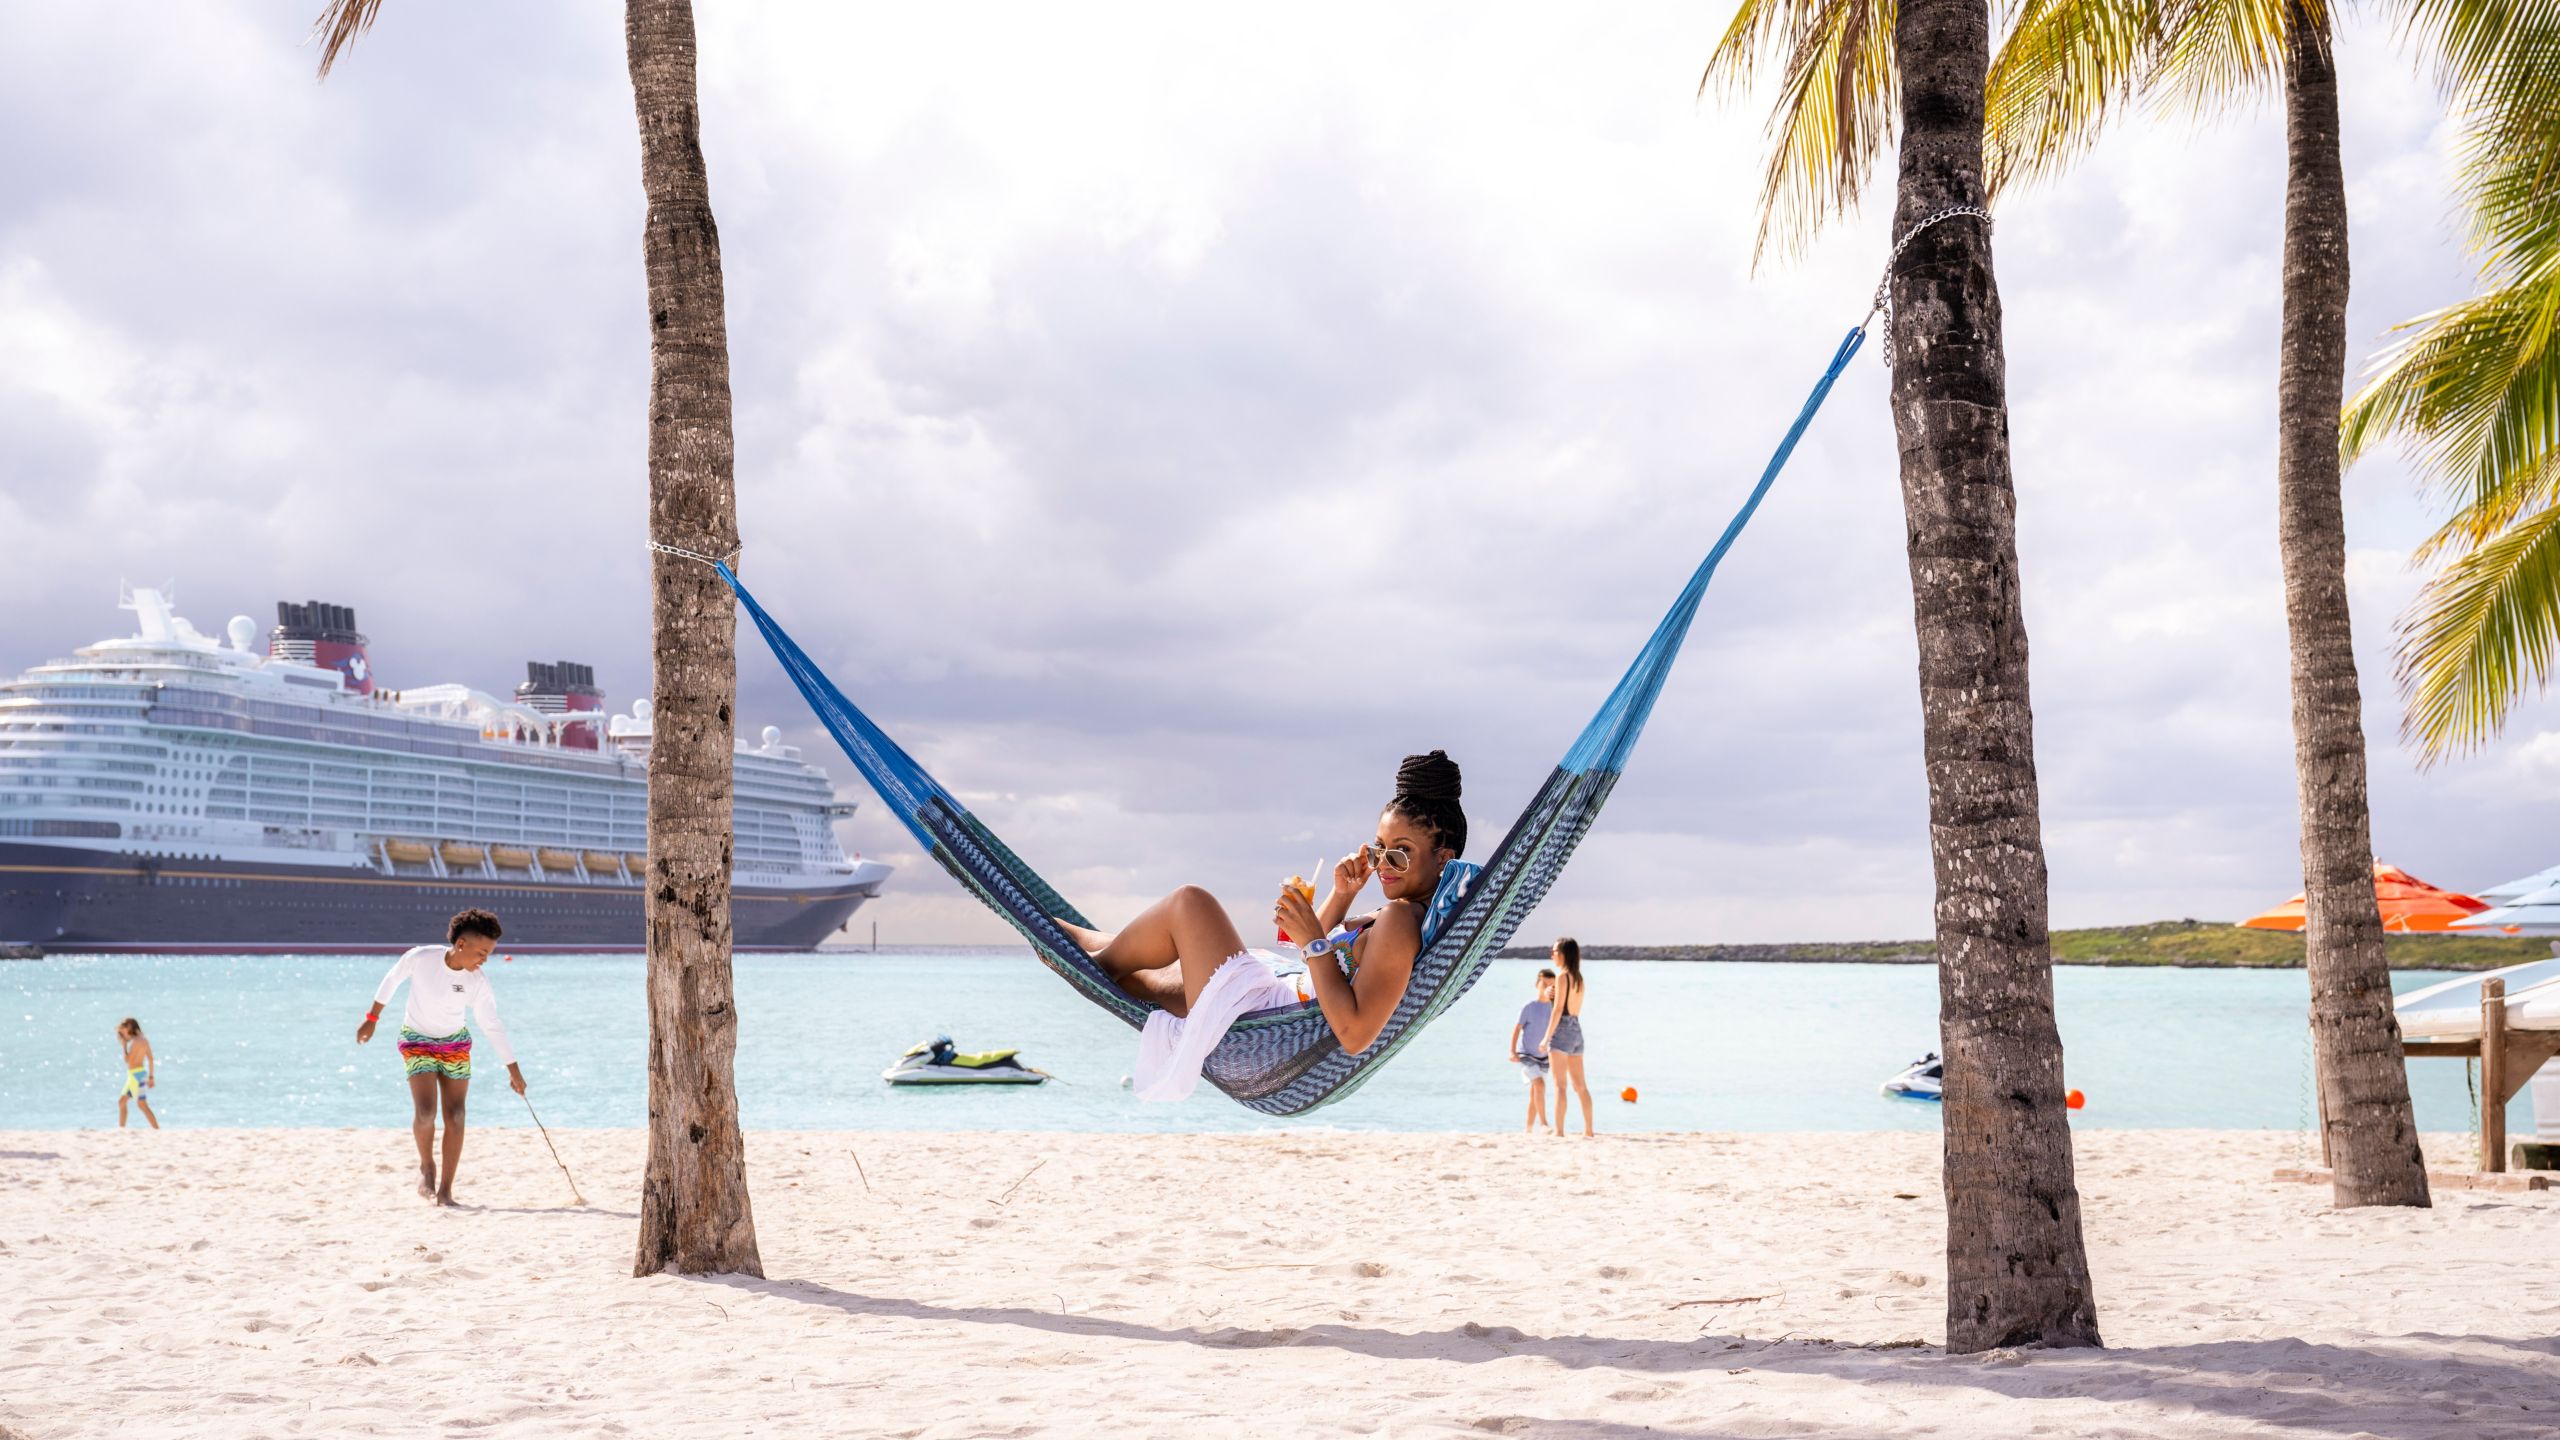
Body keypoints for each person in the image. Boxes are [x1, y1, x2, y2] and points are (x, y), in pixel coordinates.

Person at [1058, 751, 1468, 1102]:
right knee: (1081, 940)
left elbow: (1355, 1033)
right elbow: (1312, 962)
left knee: (1190, 903)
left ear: (1443, 859)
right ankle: (1079, 957)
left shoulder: (1399, 922)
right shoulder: (1395, 913)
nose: (1383, 865)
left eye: (1401, 854)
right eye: (1379, 849)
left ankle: (1091, 971)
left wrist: (1313, 940)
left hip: (1265, 1024)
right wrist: (1342, 895)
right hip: (1270, 1003)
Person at [356, 908, 524, 1205]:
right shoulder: (421, 958)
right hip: (416, 1040)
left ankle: (446, 1191)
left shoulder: (478, 982)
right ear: (461, 945)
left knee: (456, 1116)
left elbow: (491, 1024)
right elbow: (392, 979)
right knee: (425, 1113)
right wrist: (372, 1017)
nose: (485, 959)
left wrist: (513, 1070)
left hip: (455, 1045)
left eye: (489, 953)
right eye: (482, 952)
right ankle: (426, 1166)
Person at [1542, 936, 1593, 1136]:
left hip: (1562, 1030)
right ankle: (1589, 1131)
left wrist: (1546, 1037)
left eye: (1554, 951)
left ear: (1563, 954)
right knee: (1580, 1086)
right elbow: (1569, 1005)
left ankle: (1559, 1131)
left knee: (1560, 1085)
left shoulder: (1562, 976)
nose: (1552, 955)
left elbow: (1558, 1011)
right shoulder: (1578, 978)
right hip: (1576, 1029)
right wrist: (1549, 995)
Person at [1509, 970, 1555, 1131]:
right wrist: (1512, 1051)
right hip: (1526, 1054)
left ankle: (1528, 1129)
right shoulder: (1529, 1007)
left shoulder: (1553, 1008)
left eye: (1551, 985)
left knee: (1535, 1092)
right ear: (1537, 984)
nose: (1548, 987)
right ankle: (1544, 1124)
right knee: (1540, 1086)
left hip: (1544, 1057)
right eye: (1544, 983)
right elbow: (1517, 1029)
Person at [115, 1018, 159, 1130]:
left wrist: (124, 1046)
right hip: (139, 1074)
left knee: (141, 1104)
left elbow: (128, 1060)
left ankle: (157, 1130)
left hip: (135, 1076)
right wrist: (151, 1077)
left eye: (124, 1029)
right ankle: (122, 1130)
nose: (124, 1033)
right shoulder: (144, 1040)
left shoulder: (135, 1042)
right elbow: (150, 1059)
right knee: (123, 1102)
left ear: (130, 1027)